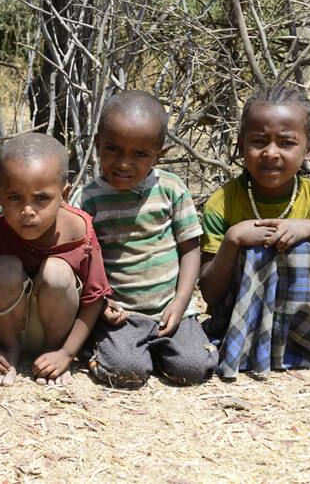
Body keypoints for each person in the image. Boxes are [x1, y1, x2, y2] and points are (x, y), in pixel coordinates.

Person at [71, 90, 218, 387]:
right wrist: (102, 304)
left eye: (140, 154)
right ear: (97, 144)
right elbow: (80, 261)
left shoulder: (171, 189)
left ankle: (156, 349)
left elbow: (191, 250)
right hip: (119, 312)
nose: (124, 163)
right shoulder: (88, 199)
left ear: (158, 155)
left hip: (169, 308)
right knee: (128, 372)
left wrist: (180, 302)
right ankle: (99, 345)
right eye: (113, 149)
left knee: (194, 368)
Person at [0, 133, 111, 386]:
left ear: (64, 194)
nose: (27, 211)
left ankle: (51, 353)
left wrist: (67, 353)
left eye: (41, 198)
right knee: (5, 265)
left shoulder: (80, 232)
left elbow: (94, 299)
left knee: (57, 271)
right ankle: (9, 353)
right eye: (15, 198)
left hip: (58, 331)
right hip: (5, 328)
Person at [200, 85, 310, 379]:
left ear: (309, 149)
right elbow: (210, 293)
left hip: (303, 328)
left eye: (286, 143)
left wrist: (309, 228)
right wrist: (233, 240)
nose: (271, 153)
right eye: (259, 141)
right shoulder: (223, 203)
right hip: (240, 325)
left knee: (301, 247)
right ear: (240, 144)